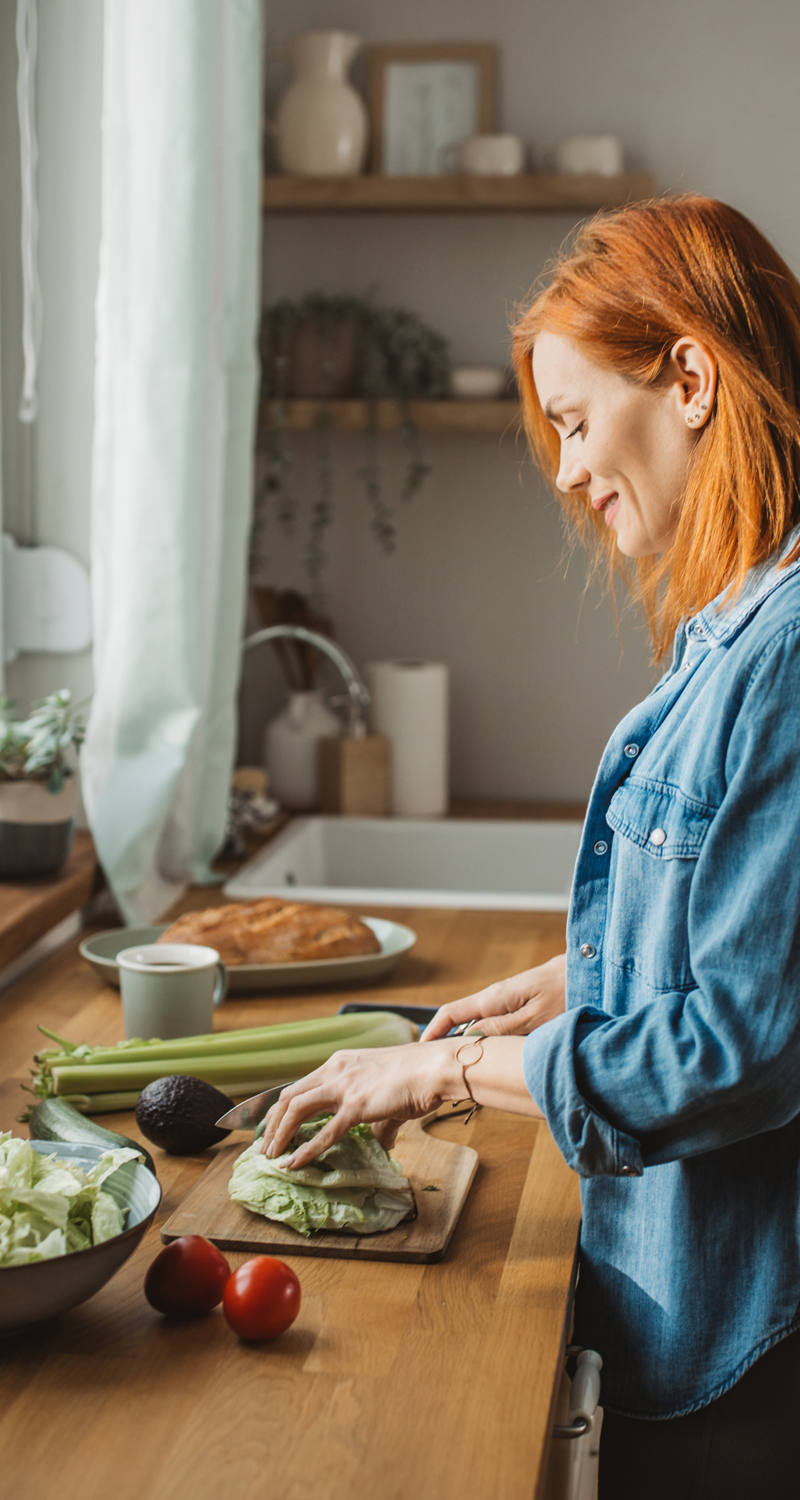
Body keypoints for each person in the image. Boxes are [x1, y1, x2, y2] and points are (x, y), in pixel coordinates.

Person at [260, 194, 800, 1498]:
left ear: (686, 378)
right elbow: (749, 949)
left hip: (750, 1339)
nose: (561, 470)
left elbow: (737, 1049)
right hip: (699, 1304)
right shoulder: (738, 627)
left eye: (571, 419)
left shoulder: (785, 656)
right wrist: (580, 981)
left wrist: (445, 1079)